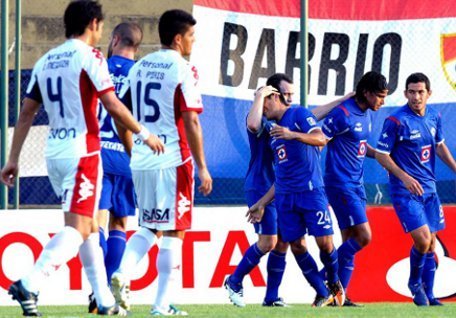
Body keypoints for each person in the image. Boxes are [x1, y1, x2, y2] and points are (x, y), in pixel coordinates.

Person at [0, 1, 164, 316]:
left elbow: (25, 114)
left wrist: (12, 159)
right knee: (77, 229)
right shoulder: (91, 57)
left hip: (54, 153)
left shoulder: (46, 60)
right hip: (83, 153)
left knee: (89, 228)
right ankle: (30, 282)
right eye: (100, 25)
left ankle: (104, 301)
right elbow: (113, 105)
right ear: (93, 23)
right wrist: (144, 134)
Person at [110, 9, 212, 316]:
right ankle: (161, 304)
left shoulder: (139, 67)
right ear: (179, 39)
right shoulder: (183, 68)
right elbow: (191, 120)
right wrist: (202, 166)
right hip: (174, 160)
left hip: (143, 160)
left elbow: (121, 116)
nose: (194, 41)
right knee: (175, 231)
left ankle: (122, 273)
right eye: (192, 36)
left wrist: (132, 150)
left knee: (151, 225)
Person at [225, 73, 353, 308]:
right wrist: (260, 95)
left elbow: (314, 122)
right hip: (264, 184)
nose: (290, 98)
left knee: (284, 242)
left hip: (288, 187)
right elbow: (253, 123)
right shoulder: (263, 120)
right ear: (273, 94)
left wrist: (344, 98)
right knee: (271, 242)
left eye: (293, 94)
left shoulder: (290, 120)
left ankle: (274, 296)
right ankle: (235, 281)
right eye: (286, 94)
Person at [375, 72, 456, 306]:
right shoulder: (396, 120)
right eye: (411, 92)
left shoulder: (434, 116)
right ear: (405, 93)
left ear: (429, 94)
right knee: (422, 240)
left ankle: (429, 294)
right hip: (405, 191)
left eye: (420, 92)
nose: (416, 96)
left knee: (431, 242)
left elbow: (439, 146)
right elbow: (381, 155)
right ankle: (414, 283)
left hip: (430, 190)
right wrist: (404, 177)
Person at [88, 22, 145, 314]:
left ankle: (99, 292)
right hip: (128, 156)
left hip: (96, 154)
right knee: (120, 225)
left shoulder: (97, 66)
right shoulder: (141, 75)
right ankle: (109, 289)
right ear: (137, 46)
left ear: (114, 40)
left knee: (95, 223)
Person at [321, 71, 388, 306]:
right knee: (364, 236)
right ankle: (321, 282)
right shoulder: (342, 113)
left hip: (356, 184)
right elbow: (319, 139)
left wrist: (379, 155)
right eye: (379, 96)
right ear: (367, 93)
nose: (383, 101)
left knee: (349, 239)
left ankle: (339, 297)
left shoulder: (366, 113)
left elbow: (359, 145)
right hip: (340, 184)